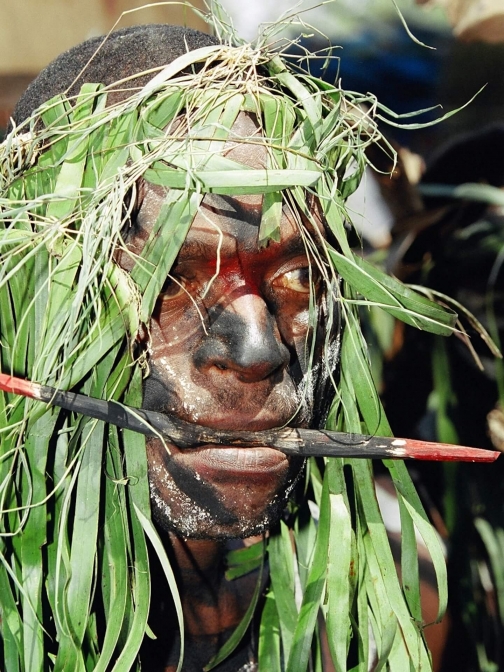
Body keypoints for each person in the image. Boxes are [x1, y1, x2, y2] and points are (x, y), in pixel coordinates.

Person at [1, 17, 454, 672]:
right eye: (166, 280)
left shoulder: (392, 616)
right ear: (33, 303)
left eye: (296, 279)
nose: (257, 349)